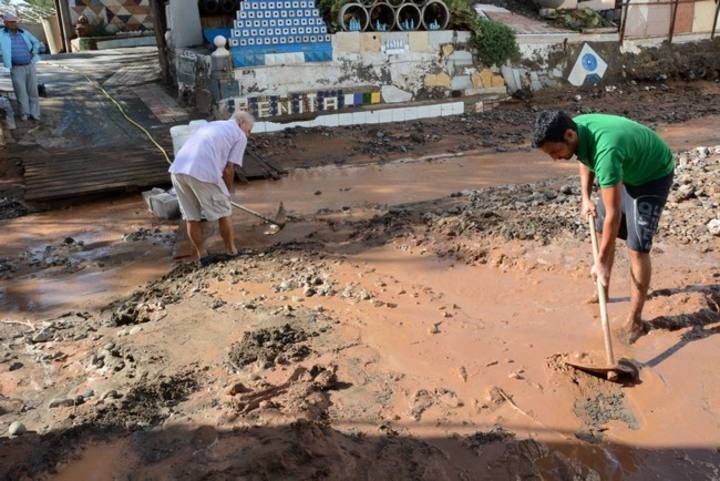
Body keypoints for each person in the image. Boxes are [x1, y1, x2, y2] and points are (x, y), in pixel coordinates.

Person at [533, 111, 675, 343]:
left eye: (555, 152)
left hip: (653, 173)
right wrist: (586, 197)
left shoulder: (606, 151)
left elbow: (613, 215)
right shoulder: (576, 128)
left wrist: (600, 263)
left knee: (637, 248)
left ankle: (635, 321)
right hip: (625, 168)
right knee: (599, 228)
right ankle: (603, 292)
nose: (555, 158)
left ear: (569, 135)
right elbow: (584, 158)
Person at [169, 111, 254, 264]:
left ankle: (203, 257)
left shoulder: (211, 125)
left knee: (192, 217)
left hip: (178, 170)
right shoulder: (239, 135)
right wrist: (226, 192)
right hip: (201, 172)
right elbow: (229, 168)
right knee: (224, 211)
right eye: (249, 130)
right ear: (241, 123)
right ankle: (231, 251)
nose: (249, 134)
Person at [0, 14, 41, 122]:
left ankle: (35, 113)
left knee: (33, 91)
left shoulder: (24, 33)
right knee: (21, 92)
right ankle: (24, 113)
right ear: (5, 23)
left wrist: (34, 51)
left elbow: (36, 42)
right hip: (16, 68)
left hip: (29, 65)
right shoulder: (1, 35)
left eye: (15, 22)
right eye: (11, 22)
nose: (14, 24)